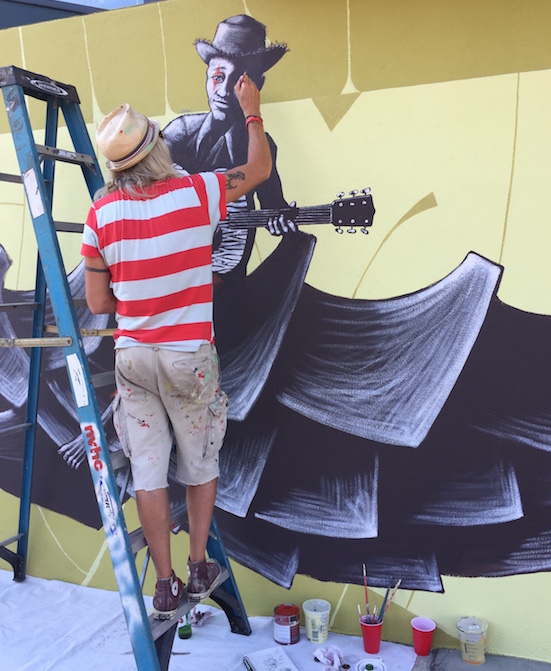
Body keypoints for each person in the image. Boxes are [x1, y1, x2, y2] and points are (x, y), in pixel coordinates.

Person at [80, 74, 272, 619]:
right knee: (199, 461)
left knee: (147, 469)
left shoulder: (100, 216)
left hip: (134, 358)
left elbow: (98, 304)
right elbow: (259, 169)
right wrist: (251, 111)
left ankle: (161, 585)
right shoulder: (197, 192)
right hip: (189, 357)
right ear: (157, 147)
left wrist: (135, 280)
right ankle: (196, 568)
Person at [163, 14, 296, 293]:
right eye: (218, 77)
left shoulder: (261, 145)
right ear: (207, 77)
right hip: (174, 277)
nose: (223, 91)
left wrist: (279, 219)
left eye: (237, 82)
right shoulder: (178, 133)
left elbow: (273, 203)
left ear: (255, 86)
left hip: (226, 279)